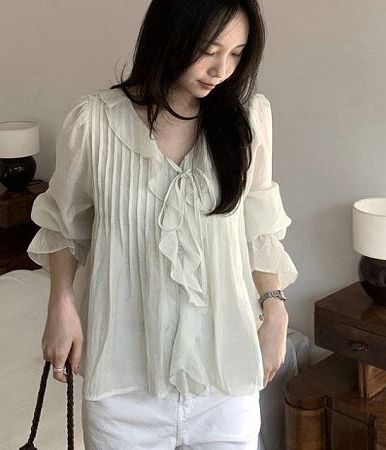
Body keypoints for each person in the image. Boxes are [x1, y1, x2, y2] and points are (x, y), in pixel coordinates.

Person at [26, 0, 299, 448]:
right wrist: (61, 305)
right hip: (123, 385)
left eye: (236, 53)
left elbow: (260, 226)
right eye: (209, 50)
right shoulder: (95, 122)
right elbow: (63, 223)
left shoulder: (247, 120)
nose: (221, 70)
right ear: (169, 35)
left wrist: (275, 311)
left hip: (224, 382)